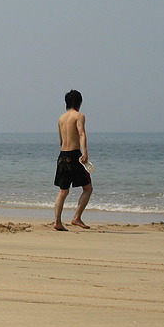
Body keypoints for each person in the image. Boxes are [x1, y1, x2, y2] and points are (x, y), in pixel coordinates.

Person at [53, 90, 94, 231]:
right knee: (88, 188)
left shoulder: (61, 118)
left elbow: (60, 141)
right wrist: (85, 153)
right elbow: (81, 134)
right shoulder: (79, 116)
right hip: (75, 155)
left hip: (62, 155)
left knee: (63, 191)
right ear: (79, 102)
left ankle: (57, 222)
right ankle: (76, 217)